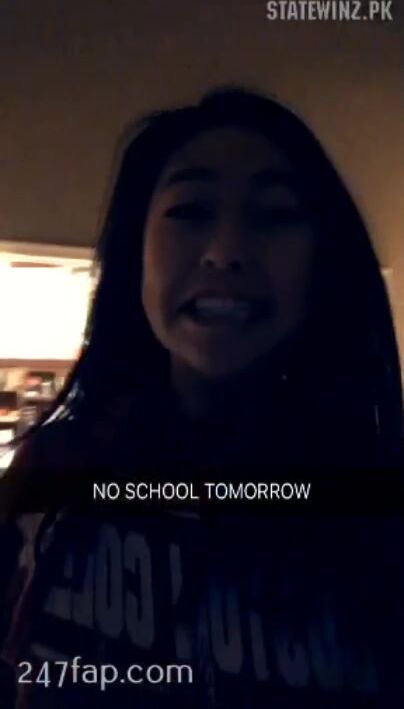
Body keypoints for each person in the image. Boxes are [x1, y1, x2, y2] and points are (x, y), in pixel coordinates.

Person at [0, 87, 402, 708]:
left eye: (274, 215)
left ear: (323, 261)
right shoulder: (53, 474)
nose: (225, 252)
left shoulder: (376, 511)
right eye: (190, 210)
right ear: (136, 252)